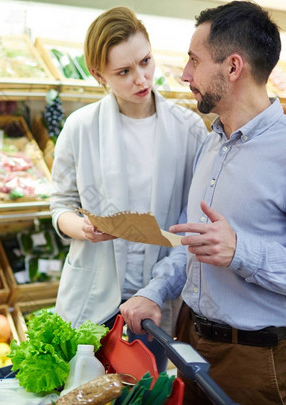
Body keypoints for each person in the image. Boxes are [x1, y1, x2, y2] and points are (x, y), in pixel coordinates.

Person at [120, 1, 286, 403]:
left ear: (232, 67)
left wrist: (241, 252)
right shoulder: (212, 143)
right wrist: (154, 291)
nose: (184, 75)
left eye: (194, 61)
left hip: (256, 359)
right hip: (190, 339)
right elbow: (191, 242)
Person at [50, 6, 207, 372]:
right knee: (81, 386)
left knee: (144, 389)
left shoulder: (189, 130)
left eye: (146, 61)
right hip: (92, 292)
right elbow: (60, 206)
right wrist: (83, 228)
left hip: (155, 298)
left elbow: (191, 219)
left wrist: (158, 288)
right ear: (98, 75)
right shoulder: (80, 127)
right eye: (123, 71)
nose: (141, 78)